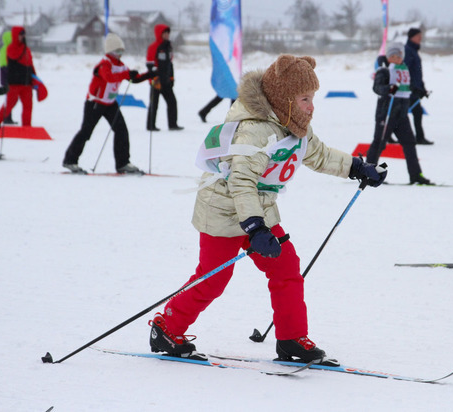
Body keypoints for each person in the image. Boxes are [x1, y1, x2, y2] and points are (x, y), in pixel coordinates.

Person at [148, 54, 387, 364]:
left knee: (286, 267)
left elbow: (319, 154)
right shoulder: (255, 130)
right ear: (285, 99)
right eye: (304, 98)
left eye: (312, 97)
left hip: (257, 210)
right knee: (214, 277)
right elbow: (242, 182)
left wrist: (357, 166)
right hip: (223, 209)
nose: (311, 105)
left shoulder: (294, 125)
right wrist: (256, 228)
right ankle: (166, 328)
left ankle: (291, 340)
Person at [63, 33, 154, 175]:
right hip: (95, 103)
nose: (120, 54)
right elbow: (109, 78)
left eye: (122, 51)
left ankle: (123, 163)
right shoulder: (104, 64)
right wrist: (127, 75)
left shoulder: (121, 66)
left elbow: (132, 78)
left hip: (110, 104)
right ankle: (70, 160)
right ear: (110, 51)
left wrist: (149, 75)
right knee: (86, 132)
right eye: (118, 51)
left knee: (121, 130)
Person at [366, 43, 433, 185]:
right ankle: (368, 173)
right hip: (386, 113)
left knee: (410, 143)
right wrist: (388, 89)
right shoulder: (384, 70)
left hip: (401, 115)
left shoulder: (404, 69)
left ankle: (416, 175)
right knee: (379, 143)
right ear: (388, 57)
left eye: (398, 56)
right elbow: (377, 87)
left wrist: (420, 91)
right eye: (392, 56)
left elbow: (408, 87)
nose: (395, 59)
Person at [0, 26, 37, 129]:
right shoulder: (11, 48)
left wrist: (35, 79)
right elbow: (14, 56)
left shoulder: (27, 49)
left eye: (23, 34)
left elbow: (30, 64)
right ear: (15, 35)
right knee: (10, 104)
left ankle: (27, 126)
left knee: (28, 106)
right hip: (14, 83)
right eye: (20, 34)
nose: (22, 36)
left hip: (27, 83)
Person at [146, 24, 183, 131]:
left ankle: (173, 124)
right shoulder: (153, 47)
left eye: (168, 33)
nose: (167, 35)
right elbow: (150, 64)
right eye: (165, 33)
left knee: (172, 102)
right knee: (154, 104)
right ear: (159, 34)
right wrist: (155, 78)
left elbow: (169, 64)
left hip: (166, 81)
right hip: (156, 81)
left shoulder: (168, 46)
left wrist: (171, 78)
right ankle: (150, 125)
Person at [404, 27, 433, 145]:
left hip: (415, 88)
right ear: (411, 37)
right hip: (409, 89)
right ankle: (419, 137)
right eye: (418, 36)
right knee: (406, 113)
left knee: (415, 112)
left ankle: (419, 137)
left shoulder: (414, 50)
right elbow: (406, 70)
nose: (420, 38)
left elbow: (417, 72)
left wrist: (422, 88)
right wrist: (410, 86)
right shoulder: (408, 50)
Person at [0, 30, 15, 125]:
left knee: (9, 99)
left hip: (4, 77)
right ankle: (6, 118)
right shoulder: (7, 49)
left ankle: (8, 117)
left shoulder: (2, 49)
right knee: (10, 99)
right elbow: (6, 65)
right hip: (8, 77)